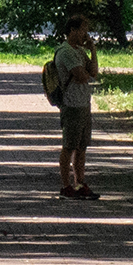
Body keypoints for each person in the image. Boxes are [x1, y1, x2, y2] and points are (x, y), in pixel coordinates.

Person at [52, 14, 100, 199]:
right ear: (72, 30)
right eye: (82, 30)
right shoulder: (66, 52)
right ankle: (66, 185)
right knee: (69, 146)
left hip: (83, 104)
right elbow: (81, 75)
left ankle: (80, 183)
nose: (85, 34)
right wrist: (86, 71)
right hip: (71, 105)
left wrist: (92, 50)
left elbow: (93, 72)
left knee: (81, 147)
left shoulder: (79, 51)